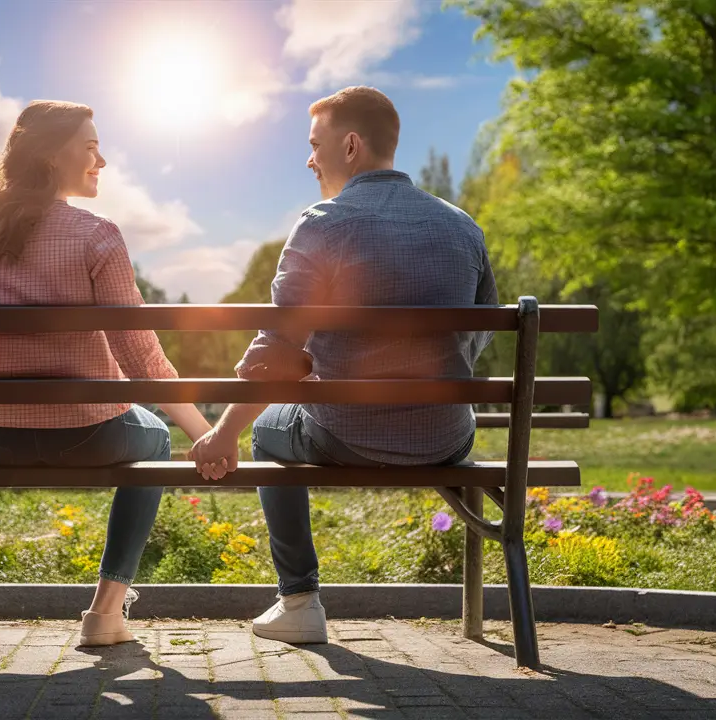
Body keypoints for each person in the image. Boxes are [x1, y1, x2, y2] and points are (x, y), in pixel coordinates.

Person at [188, 86, 500, 645]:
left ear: (351, 145)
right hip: (446, 438)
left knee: (267, 431)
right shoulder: (462, 227)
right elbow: (478, 334)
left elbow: (277, 353)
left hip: (345, 436)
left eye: (316, 145)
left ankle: (299, 601)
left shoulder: (322, 224)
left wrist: (224, 431)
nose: (309, 160)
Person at [0, 100, 220, 647]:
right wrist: (206, 435)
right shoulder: (96, 235)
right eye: (91, 147)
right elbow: (140, 356)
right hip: (88, 435)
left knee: (139, 430)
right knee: (155, 439)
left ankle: (106, 611)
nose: (102, 161)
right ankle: (105, 612)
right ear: (53, 155)